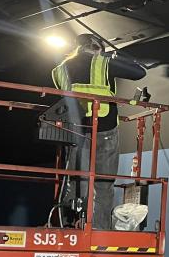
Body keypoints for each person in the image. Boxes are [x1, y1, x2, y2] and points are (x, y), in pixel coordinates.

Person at [51, 34, 147, 230]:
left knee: (76, 181)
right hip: (104, 129)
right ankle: (98, 231)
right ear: (96, 46)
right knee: (103, 184)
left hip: (74, 132)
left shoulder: (59, 70)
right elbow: (139, 72)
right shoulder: (103, 62)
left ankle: (69, 225)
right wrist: (116, 57)